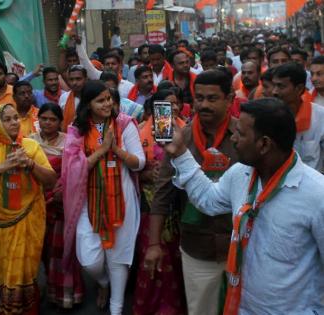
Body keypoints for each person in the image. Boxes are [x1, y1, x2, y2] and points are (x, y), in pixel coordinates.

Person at [159, 98, 324, 314]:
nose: (233, 139)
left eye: (240, 134)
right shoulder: (241, 174)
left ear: (264, 144)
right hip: (242, 306)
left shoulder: (317, 194)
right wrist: (180, 152)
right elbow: (208, 199)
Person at [144, 69, 238, 315]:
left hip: (240, 246)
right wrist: (154, 244)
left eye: (212, 98)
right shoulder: (179, 139)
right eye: (199, 98)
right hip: (197, 246)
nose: (204, 105)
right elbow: (162, 193)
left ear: (230, 99)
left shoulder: (244, 136)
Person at [61, 80, 145, 315]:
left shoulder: (125, 124)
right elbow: (72, 170)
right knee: (90, 261)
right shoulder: (76, 130)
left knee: (118, 257)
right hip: (88, 201)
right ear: (88, 105)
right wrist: (101, 150)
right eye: (101, 100)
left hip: (122, 199)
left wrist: (116, 150)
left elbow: (140, 163)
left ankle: (116, 308)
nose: (107, 103)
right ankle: (103, 282)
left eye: (109, 98)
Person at [0, 103, 57, 314]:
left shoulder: (31, 146)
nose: (14, 122)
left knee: (27, 271)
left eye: (15, 117)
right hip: (1, 225)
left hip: (30, 219)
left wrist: (31, 165)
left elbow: (52, 180)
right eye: (6, 119)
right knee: (6, 271)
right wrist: (0, 168)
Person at [133, 89, 186, 315]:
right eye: (166, 105)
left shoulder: (186, 129)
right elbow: (132, 167)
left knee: (174, 259)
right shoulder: (140, 131)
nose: (172, 109)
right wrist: (145, 175)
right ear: (155, 108)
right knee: (153, 256)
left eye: (176, 104)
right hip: (150, 202)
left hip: (177, 203)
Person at [29, 103, 84, 309]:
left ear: (60, 122)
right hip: (36, 202)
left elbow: (74, 172)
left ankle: (68, 294)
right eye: (44, 118)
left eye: (52, 119)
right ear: (39, 120)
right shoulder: (30, 141)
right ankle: (49, 288)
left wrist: (62, 193)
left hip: (61, 202)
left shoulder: (68, 142)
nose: (48, 123)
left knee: (62, 250)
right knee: (42, 249)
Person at [272, 62, 324, 171]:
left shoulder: (320, 116)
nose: (274, 91)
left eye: (281, 86)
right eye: (274, 85)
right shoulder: (268, 116)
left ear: (299, 88)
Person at [59, 65, 87, 131]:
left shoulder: (92, 97)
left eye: (78, 79)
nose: (74, 83)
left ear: (85, 79)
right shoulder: (64, 97)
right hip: (68, 137)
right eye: (71, 79)